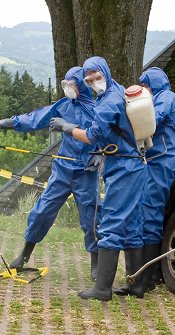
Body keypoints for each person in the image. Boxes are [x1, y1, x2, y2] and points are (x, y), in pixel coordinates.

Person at [0, 66, 101, 279]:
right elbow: (33, 118)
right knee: (42, 211)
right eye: (66, 84)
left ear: (81, 84)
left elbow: (108, 133)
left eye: (71, 84)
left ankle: (97, 266)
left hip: (86, 171)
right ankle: (24, 257)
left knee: (92, 218)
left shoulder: (99, 109)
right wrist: (3, 123)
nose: (67, 89)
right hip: (63, 169)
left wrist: (101, 152)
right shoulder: (63, 106)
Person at [50, 56, 147, 301]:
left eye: (97, 75)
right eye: (88, 78)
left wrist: (66, 127)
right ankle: (136, 285)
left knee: (111, 223)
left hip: (124, 165)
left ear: (105, 71)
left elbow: (92, 136)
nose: (93, 81)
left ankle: (102, 288)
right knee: (132, 223)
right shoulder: (117, 89)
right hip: (134, 163)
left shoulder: (108, 101)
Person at [114, 67, 175, 297]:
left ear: (150, 84)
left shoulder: (167, 97)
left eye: (144, 86)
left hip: (162, 162)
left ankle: (145, 278)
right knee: (147, 213)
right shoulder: (163, 96)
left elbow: (151, 119)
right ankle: (150, 275)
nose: (143, 90)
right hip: (156, 161)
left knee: (150, 213)